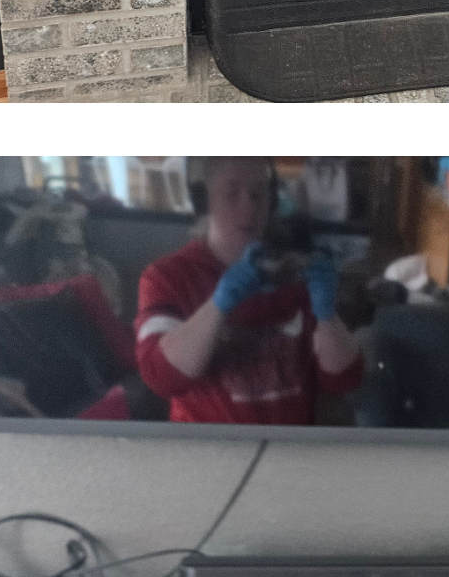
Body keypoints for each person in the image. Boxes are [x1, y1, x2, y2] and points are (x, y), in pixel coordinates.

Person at [135, 157, 364, 424]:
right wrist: (218, 305)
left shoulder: (294, 273)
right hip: (207, 454)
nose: (249, 207)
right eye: (231, 194)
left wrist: (328, 317)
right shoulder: (165, 277)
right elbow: (160, 378)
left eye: (258, 194)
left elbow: (345, 380)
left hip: (291, 452)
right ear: (204, 200)